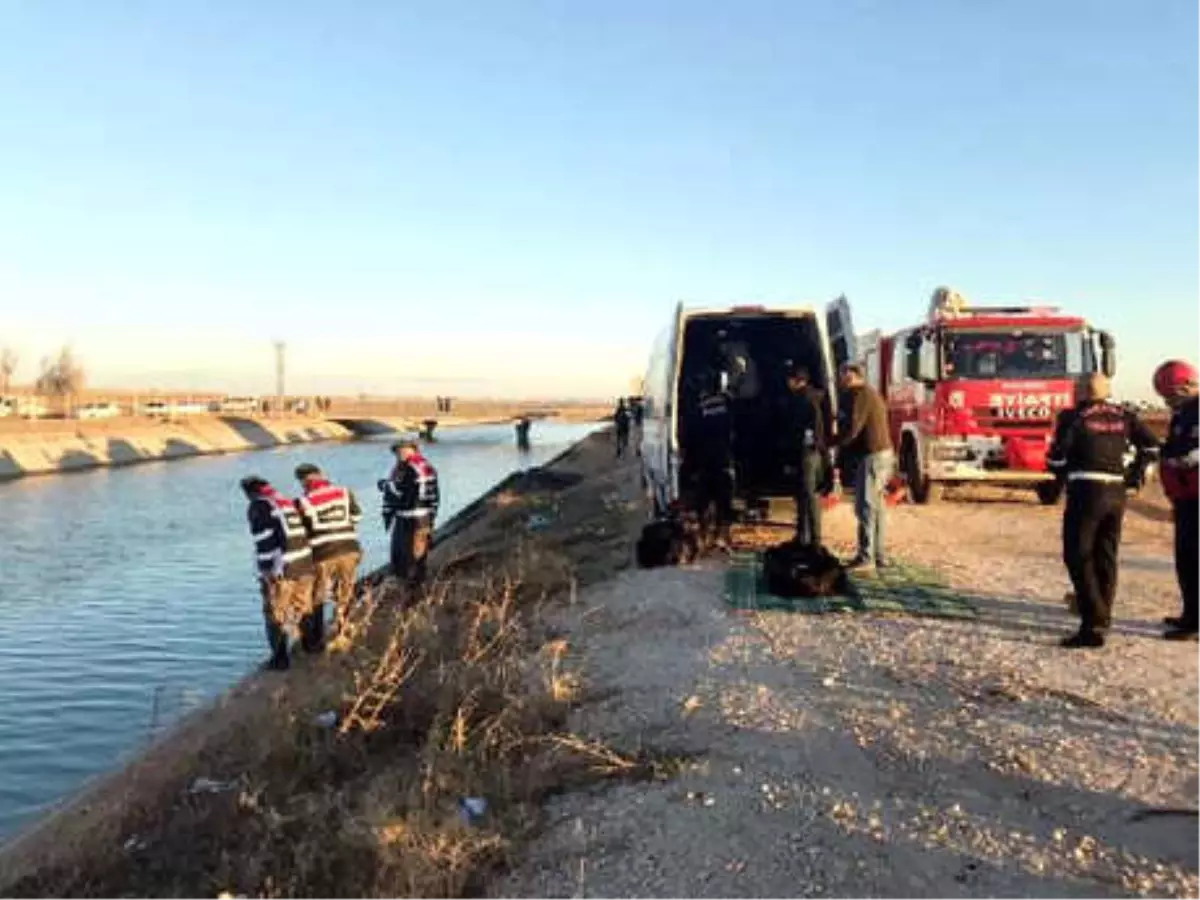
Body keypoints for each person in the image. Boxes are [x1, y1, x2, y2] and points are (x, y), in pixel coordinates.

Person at [1048, 374, 1159, 648]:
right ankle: (1102, 614)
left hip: (1086, 490)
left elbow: (1058, 457)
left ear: (1081, 390)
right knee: (1106, 554)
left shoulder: (1073, 417)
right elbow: (1152, 446)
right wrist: (1134, 476)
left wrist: (1056, 471)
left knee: (1078, 554)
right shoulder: (1124, 415)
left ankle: (1093, 622)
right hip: (1116, 492)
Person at [241, 475, 315, 670]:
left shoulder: (259, 506)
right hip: (305, 562)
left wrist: (266, 570)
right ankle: (310, 646)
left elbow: (264, 540)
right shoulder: (284, 501)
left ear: (249, 492)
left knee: (275, 613)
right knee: (303, 607)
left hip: (284, 567)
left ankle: (280, 660)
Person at [1153, 359, 1200, 640]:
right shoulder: (1182, 415)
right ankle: (1190, 614)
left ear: (1185, 386)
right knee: (1186, 559)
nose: (1168, 402)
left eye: (1170, 396)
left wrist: (1194, 457)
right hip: (1185, 498)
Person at [294, 463, 363, 644]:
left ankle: (316, 640)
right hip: (349, 548)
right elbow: (357, 517)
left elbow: (300, 532)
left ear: (303, 481)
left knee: (317, 596)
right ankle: (344, 631)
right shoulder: (344, 492)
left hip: (322, 553)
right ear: (321, 474)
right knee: (345, 591)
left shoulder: (303, 502)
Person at [835, 362, 894, 570]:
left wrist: (834, 443)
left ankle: (866, 556)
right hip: (882, 454)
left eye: (843, 375)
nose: (841, 380)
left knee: (866, 505)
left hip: (872, 456)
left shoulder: (861, 395)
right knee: (877, 506)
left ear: (851, 375)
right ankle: (879, 555)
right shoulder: (870, 393)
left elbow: (853, 428)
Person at [379, 441, 440, 591]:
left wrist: (385, 485)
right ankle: (416, 590)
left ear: (412, 450)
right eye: (397, 452)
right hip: (419, 518)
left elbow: (402, 492)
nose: (399, 455)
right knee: (414, 559)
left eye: (402, 451)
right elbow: (434, 496)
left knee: (409, 560)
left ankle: (411, 593)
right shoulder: (424, 466)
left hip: (412, 519)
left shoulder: (412, 467)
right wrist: (432, 516)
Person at [784, 366, 832, 547]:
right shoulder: (811, 397)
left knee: (809, 495)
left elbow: (813, 426)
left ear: (798, 380)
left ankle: (814, 539)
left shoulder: (806, 399)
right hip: (811, 451)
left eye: (790, 380)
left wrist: (808, 443)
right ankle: (803, 536)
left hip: (808, 453)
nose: (787, 383)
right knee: (803, 494)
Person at [694, 373, 735, 550]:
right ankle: (721, 535)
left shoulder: (700, 406)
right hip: (723, 456)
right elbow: (732, 428)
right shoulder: (726, 403)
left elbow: (692, 433)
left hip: (705, 458)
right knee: (723, 498)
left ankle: (704, 536)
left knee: (704, 498)